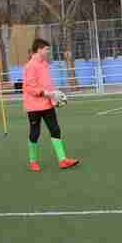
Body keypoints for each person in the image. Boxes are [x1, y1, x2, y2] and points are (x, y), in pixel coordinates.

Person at [22, 38, 80, 172]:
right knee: (35, 133)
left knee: (55, 130)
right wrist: (45, 93)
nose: (48, 51)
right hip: (34, 106)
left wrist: (54, 96)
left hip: (47, 104)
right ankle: (33, 161)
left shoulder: (44, 64)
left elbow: (47, 83)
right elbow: (29, 87)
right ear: (39, 49)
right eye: (47, 49)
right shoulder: (31, 66)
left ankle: (63, 160)